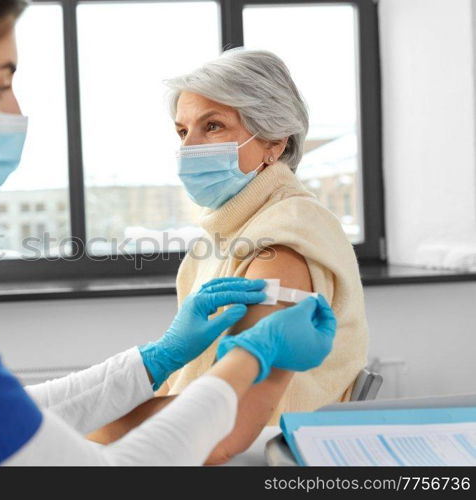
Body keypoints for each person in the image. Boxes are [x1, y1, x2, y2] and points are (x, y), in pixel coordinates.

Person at [0, 0, 336, 465]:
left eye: (212, 127)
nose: (14, 110)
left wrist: (158, 359)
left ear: (275, 142)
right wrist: (252, 360)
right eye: (0, 84)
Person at [88, 49, 369, 464]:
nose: (189, 147)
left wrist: (93, 424)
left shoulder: (284, 239)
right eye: (182, 131)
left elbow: (232, 422)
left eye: (213, 126)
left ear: (274, 140)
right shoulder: (234, 229)